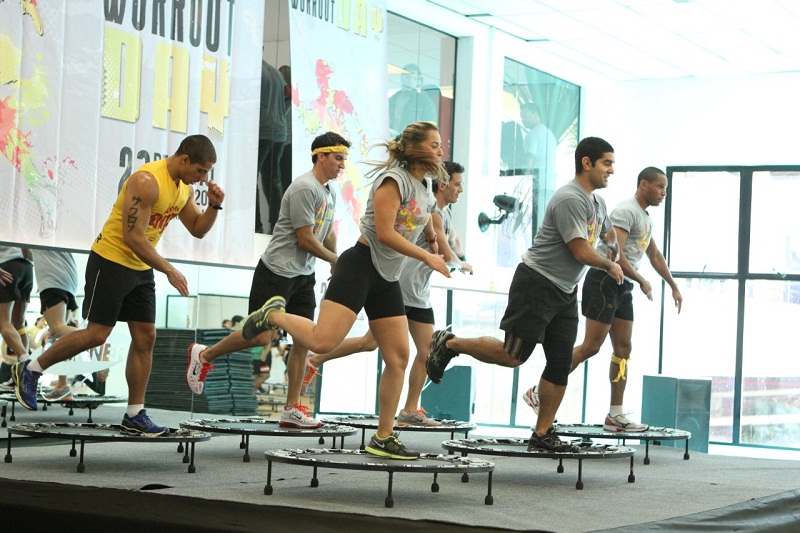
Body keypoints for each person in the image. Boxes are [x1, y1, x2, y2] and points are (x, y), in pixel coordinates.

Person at [242, 121, 451, 459]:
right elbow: (385, 233)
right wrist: (426, 255)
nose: (440, 151)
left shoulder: (425, 184)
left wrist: (433, 240)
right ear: (414, 148)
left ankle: (383, 437)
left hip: (387, 277)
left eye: (440, 145)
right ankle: (274, 315)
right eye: (434, 145)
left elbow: (423, 212)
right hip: (360, 267)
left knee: (398, 357)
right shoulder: (393, 181)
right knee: (322, 341)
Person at [13, 134, 224, 438]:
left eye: (207, 173)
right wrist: (168, 269)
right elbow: (133, 236)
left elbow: (197, 229)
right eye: (201, 171)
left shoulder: (182, 189)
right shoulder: (147, 181)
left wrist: (214, 206)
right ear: (184, 159)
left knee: (146, 337)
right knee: (97, 334)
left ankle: (134, 415)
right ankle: (31, 368)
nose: (203, 179)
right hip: (111, 260)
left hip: (141, 266)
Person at [426, 136, 624, 452]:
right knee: (513, 355)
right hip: (537, 283)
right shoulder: (569, 198)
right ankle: (450, 343)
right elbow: (579, 250)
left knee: (560, 363)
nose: (612, 170)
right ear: (587, 163)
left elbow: (608, 233)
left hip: (565, 291)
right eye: (607, 163)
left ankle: (542, 433)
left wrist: (613, 246)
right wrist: (609, 264)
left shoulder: (597, 204)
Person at [186, 132, 348, 429]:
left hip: (303, 276)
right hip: (276, 272)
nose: (342, 165)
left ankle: (291, 408)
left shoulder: (330, 191)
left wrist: (334, 260)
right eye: (338, 158)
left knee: (305, 340)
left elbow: (327, 230)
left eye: (344, 159)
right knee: (261, 337)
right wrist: (336, 260)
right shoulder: (304, 188)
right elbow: (305, 238)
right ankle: (205, 354)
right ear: (321, 156)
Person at [301, 161, 473, 427]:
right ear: (443, 184)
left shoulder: (437, 208)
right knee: (370, 344)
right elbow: (442, 249)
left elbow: (450, 243)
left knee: (423, 351)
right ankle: (314, 355)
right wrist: (459, 263)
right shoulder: (424, 205)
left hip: (419, 290)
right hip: (400, 284)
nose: (460, 189)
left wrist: (459, 256)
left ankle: (408, 410)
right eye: (457, 184)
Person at [524, 167, 683, 432]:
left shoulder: (645, 218)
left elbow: (654, 255)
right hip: (604, 281)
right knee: (591, 346)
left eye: (665, 188)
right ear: (644, 184)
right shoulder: (626, 211)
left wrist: (673, 285)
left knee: (623, 349)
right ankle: (538, 393)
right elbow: (614, 255)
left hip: (623, 285)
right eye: (660, 187)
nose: (663, 193)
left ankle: (615, 415)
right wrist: (641, 280)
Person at [30, 249, 81, 401]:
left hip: (52, 278)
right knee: (60, 337)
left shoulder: (34, 233)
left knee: (57, 329)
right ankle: (62, 385)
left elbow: (26, 254)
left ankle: (93, 336)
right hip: (69, 279)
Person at [256, 60, 289, 234]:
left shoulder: (256, 70)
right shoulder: (277, 74)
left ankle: (256, 225)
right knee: (272, 181)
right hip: (279, 133)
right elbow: (288, 98)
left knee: (250, 180)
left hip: (262, 131)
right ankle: (277, 225)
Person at [520, 103, 557, 228]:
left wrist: (523, 177)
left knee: (538, 223)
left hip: (538, 184)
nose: (522, 119)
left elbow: (530, 159)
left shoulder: (533, 134)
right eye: (521, 117)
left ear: (536, 115)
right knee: (546, 222)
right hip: (550, 184)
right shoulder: (549, 134)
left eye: (525, 116)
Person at [0, 246, 33, 370]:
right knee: (19, 325)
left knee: (3, 323)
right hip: (27, 267)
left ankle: (26, 362)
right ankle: (23, 372)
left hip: (7, 266)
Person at [388, 64, 437, 138]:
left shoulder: (425, 102)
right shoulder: (392, 99)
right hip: (392, 140)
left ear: (418, 81)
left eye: (414, 78)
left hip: (412, 141)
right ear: (402, 78)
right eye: (408, 77)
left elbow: (429, 128)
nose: (410, 81)